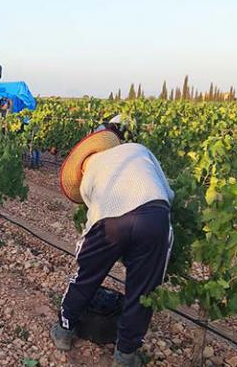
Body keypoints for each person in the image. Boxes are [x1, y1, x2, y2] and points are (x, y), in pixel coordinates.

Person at [51, 129, 174, 367]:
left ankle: (64, 331)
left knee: (85, 277)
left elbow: (95, 219)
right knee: (143, 291)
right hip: (155, 215)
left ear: (82, 168)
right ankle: (125, 356)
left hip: (111, 223)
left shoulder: (88, 178)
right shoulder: (138, 149)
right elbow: (167, 192)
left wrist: (87, 257)